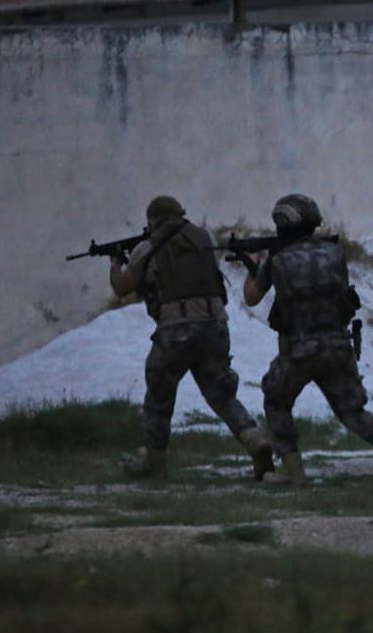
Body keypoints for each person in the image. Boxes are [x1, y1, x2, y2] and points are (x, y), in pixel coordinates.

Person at [243, 194, 373, 486]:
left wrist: (255, 266)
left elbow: (251, 297)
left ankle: (292, 471)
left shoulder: (277, 259)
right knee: (351, 410)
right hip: (338, 344)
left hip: (298, 349)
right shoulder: (334, 253)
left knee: (276, 401)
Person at [109, 195, 273, 480]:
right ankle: (256, 441)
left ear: (153, 221)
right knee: (222, 395)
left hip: (175, 330)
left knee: (159, 398)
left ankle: (154, 462)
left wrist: (115, 264)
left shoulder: (146, 249)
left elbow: (123, 287)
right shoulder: (204, 238)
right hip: (215, 325)